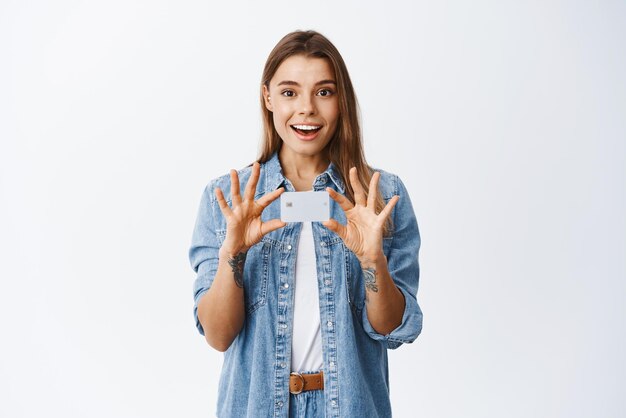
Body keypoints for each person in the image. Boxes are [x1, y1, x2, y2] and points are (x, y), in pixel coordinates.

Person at [189, 30, 422, 418]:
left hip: (349, 406)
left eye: (324, 92)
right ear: (268, 98)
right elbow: (218, 334)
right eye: (289, 92)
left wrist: (372, 260)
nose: (307, 109)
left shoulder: (379, 195)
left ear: (341, 101)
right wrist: (234, 252)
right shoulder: (228, 200)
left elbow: (390, 329)